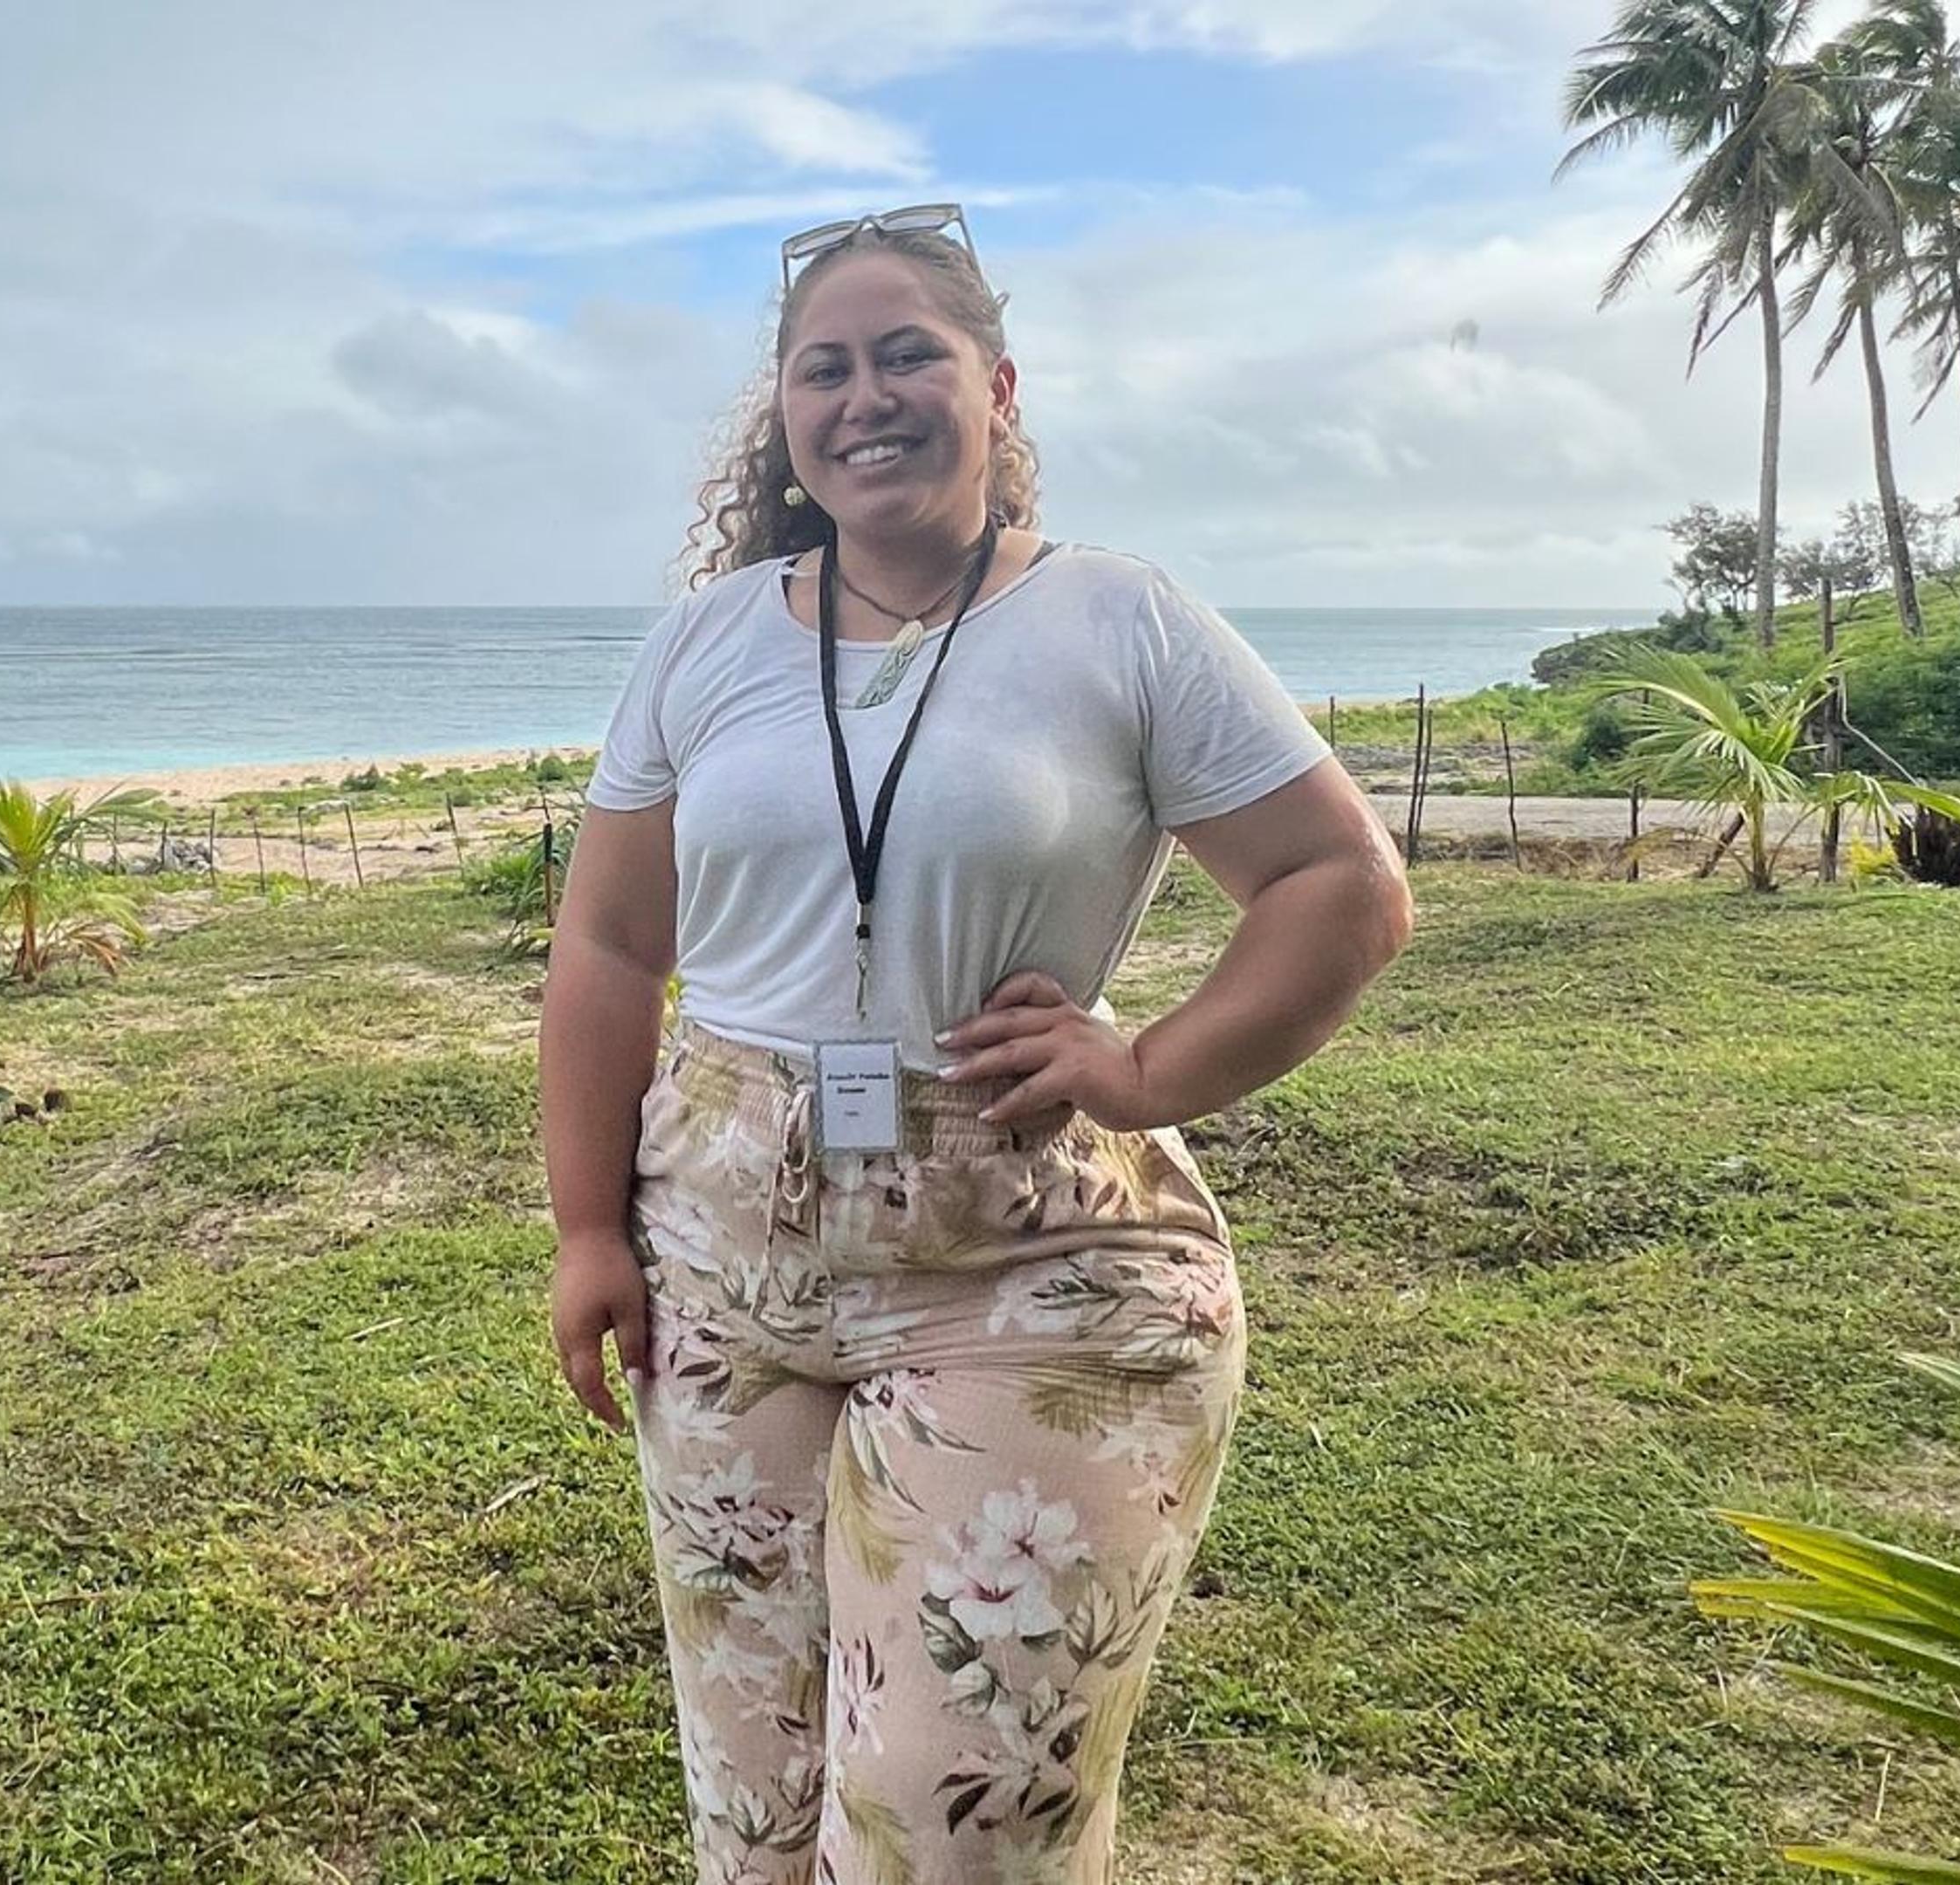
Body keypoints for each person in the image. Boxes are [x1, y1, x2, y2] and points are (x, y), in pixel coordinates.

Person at [538, 203, 1413, 1883]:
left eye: (908, 355)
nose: (866, 396)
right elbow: (610, 945)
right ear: (785, 419)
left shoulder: (1119, 624)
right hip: (722, 1258)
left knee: (957, 1823)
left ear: (996, 387)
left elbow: (1340, 889)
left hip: (1027, 1267)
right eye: (824, 368)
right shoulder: (708, 645)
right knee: (759, 1794)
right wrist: (588, 1227)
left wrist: (1149, 1069)